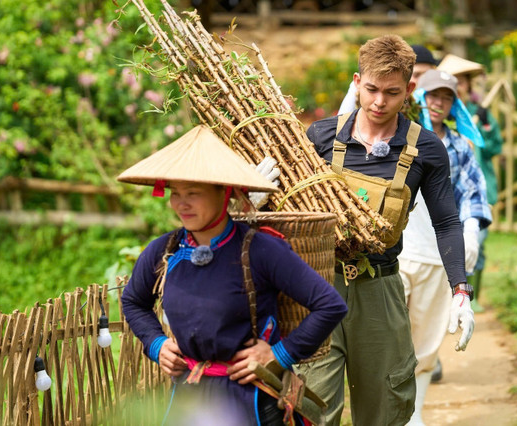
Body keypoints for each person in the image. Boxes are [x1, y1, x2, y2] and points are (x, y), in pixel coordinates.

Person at [119, 125, 348, 425]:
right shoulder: (164, 250)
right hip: (189, 397)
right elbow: (133, 301)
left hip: (252, 397)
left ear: (224, 192)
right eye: (175, 194)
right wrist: (156, 344)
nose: (181, 203)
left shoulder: (260, 250)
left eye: (193, 193)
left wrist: (280, 354)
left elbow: (330, 304)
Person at [300, 35, 474, 426]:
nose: (379, 102)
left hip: (380, 290)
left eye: (392, 93)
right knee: (310, 406)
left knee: (385, 409)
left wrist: (460, 289)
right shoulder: (321, 137)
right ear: (357, 81)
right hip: (318, 287)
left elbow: (446, 221)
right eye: (372, 90)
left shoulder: (426, 148)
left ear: (410, 90)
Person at [400, 69, 492, 425]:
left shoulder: (457, 147)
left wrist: (470, 231)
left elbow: (472, 194)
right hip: (398, 251)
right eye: (431, 95)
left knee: (425, 342)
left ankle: (415, 415)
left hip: (436, 256)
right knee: (393, 340)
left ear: (454, 104)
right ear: (417, 96)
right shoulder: (400, 137)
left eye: (446, 97)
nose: (438, 103)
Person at [439, 54, 503, 313]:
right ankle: (450, 295)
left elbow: (494, 147)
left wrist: (484, 127)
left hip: (478, 190)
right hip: (446, 192)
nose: (459, 86)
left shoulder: (480, 114)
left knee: (476, 242)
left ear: (468, 85)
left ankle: (470, 296)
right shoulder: (440, 115)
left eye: (462, 82)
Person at [337, 44, 439, 115]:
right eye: (416, 75)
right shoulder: (360, 89)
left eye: (427, 75)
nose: (380, 102)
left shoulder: (439, 96)